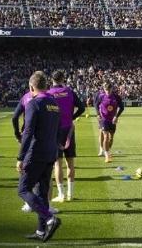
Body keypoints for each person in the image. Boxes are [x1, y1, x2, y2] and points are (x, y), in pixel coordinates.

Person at [17, 71, 62, 242]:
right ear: (46, 86)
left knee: (23, 189)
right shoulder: (54, 104)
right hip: (51, 153)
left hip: (36, 153)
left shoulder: (33, 104)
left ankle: (50, 218)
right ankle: (41, 231)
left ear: (31, 87)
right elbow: (58, 129)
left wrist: (20, 157)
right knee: (42, 193)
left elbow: (28, 132)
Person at [49, 70, 85, 203]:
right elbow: (81, 108)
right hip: (69, 130)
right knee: (70, 162)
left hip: (55, 131)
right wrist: (72, 118)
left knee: (57, 163)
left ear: (52, 80)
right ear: (63, 79)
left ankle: (61, 195)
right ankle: (71, 194)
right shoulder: (69, 91)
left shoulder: (49, 93)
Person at [96, 80, 124, 163]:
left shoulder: (116, 97)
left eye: (109, 89)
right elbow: (96, 105)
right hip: (104, 119)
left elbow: (122, 107)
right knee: (106, 137)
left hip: (112, 120)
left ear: (112, 89)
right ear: (104, 89)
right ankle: (107, 155)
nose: (107, 91)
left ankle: (108, 150)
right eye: (106, 89)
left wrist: (116, 116)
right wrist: (98, 114)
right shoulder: (101, 96)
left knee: (111, 138)